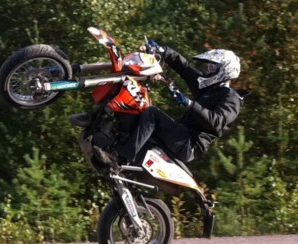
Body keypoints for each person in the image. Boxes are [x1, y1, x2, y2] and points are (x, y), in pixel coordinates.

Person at [97, 42, 243, 168]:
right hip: (181, 134)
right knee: (141, 108)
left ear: (224, 70)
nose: (207, 70)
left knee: (152, 113)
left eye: (212, 67)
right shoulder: (208, 88)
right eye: (208, 67)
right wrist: (163, 50)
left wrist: (189, 103)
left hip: (189, 143)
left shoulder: (231, 98)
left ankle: (119, 158)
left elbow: (216, 122)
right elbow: (184, 68)